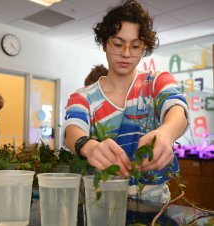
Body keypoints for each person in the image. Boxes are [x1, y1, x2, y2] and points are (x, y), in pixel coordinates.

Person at [61, 0, 190, 203]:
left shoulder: (156, 82)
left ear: (144, 47)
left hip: (155, 201)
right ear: (104, 44)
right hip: (103, 201)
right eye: (118, 44)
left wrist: (166, 133)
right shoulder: (84, 97)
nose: (126, 53)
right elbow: (72, 130)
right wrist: (89, 146)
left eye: (136, 46)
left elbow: (176, 108)